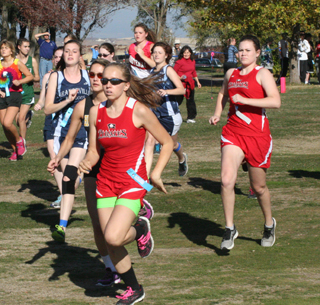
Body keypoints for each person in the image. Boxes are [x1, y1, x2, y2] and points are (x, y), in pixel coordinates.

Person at [78, 62, 173, 304]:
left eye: (114, 81)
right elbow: (93, 151)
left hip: (132, 181)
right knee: (110, 241)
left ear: (126, 85)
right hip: (105, 182)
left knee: (112, 236)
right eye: (104, 80)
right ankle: (135, 289)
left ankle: (140, 228)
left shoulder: (138, 110)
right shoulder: (95, 111)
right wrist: (82, 164)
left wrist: (156, 174)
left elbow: (167, 142)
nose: (107, 85)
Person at [47, 58, 121, 286]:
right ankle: (110, 268)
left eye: (102, 76)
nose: (98, 80)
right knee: (97, 223)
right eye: (93, 75)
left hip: (118, 167)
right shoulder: (83, 105)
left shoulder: (117, 102)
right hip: (93, 167)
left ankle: (137, 231)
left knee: (115, 224)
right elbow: (69, 138)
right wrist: (58, 157)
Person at [209, 34, 281, 250]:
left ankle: (269, 224)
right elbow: (223, 93)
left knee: (258, 187)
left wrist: (245, 100)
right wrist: (217, 113)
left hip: (257, 136)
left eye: (248, 50)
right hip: (233, 132)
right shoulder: (231, 73)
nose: (243, 54)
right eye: (240, 50)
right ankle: (229, 228)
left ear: (257, 53)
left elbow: (275, 101)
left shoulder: (263, 74)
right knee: (226, 181)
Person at [44, 40, 90, 242]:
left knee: (67, 178)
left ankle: (61, 227)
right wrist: (67, 101)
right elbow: (47, 109)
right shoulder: (56, 76)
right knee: (66, 180)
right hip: (61, 135)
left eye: (74, 51)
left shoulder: (88, 76)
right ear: (62, 56)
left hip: (83, 134)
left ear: (81, 55)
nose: (70, 54)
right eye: (67, 52)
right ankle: (63, 221)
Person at [144, 42, 187, 177]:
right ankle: (145, 177)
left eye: (160, 52)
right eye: (154, 52)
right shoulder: (151, 72)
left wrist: (167, 92)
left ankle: (182, 158)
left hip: (170, 116)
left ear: (166, 55)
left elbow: (182, 90)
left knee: (171, 144)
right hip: (155, 114)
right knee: (150, 141)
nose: (156, 55)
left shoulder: (168, 69)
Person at [34, 46, 64, 208]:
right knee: (54, 157)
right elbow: (43, 99)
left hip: (66, 122)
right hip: (50, 121)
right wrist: (38, 105)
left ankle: (69, 188)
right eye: (56, 57)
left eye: (61, 56)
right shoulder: (47, 76)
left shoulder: (71, 77)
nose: (58, 59)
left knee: (65, 159)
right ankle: (63, 194)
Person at [0, 39, 33, 161]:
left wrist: (20, 81)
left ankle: (20, 141)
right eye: (2, 48)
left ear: (11, 50)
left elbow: (30, 76)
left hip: (14, 95)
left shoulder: (17, 63)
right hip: (1, 97)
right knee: (4, 125)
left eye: (6, 48)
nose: (3, 50)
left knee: (8, 122)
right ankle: (15, 151)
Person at [16, 38, 40, 146]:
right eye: (25, 46)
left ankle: (22, 143)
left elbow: (37, 78)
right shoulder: (14, 60)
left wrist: (27, 77)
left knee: (21, 118)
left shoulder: (32, 60)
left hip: (28, 92)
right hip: (15, 93)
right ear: (19, 47)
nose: (27, 49)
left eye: (28, 46)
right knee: (18, 121)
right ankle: (29, 116)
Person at [174, 45, 201, 123]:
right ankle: (173, 115)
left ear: (190, 53)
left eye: (188, 52)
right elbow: (173, 73)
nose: (186, 54)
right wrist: (179, 78)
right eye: (184, 53)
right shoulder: (179, 62)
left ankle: (190, 117)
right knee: (178, 101)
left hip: (190, 84)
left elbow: (194, 72)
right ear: (182, 53)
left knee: (191, 101)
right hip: (180, 84)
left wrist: (198, 82)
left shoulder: (193, 61)